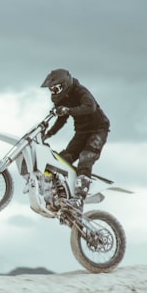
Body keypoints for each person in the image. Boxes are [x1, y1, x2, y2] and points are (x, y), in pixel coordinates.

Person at [40, 68, 110, 199]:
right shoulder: (62, 100)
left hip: (98, 130)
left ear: (64, 85)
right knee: (62, 159)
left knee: (86, 156)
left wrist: (68, 110)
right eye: (51, 90)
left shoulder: (80, 91)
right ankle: (53, 190)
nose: (53, 93)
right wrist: (49, 133)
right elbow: (61, 119)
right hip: (81, 131)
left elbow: (90, 107)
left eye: (55, 89)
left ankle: (80, 194)